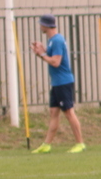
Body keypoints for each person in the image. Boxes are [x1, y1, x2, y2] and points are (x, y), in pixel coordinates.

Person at [30, 14, 85, 153]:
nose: (40, 26)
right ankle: (46, 145)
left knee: (69, 112)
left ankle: (80, 143)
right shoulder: (52, 41)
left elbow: (55, 62)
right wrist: (41, 52)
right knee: (53, 113)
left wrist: (42, 54)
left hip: (63, 82)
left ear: (46, 25)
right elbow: (50, 58)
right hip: (56, 83)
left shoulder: (57, 40)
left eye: (41, 24)